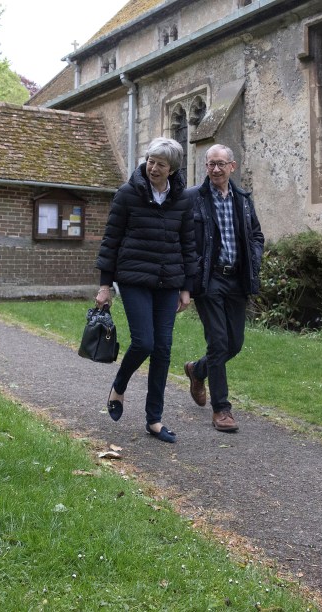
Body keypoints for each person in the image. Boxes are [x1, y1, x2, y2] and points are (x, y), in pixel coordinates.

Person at [94, 137, 197, 443]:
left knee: (163, 349)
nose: (153, 167)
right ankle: (120, 385)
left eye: (160, 164)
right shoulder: (128, 194)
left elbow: (188, 245)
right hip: (134, 278)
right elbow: (110, 240)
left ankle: (154, 419)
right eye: (150, 161)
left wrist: (186, 288)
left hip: (168, 282)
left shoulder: (182, 200)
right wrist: (105, 285)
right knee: (144, 343)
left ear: (172, 169)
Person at [183, 144, 264, 433]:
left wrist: (253, 260)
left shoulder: (242, 198)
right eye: (210, 164)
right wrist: (190, 277)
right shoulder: (193, 198)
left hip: (236, 279)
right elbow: (185, 240)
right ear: (206, 167)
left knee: (235, 344)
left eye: (221, 164)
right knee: (218, 343)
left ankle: (198, 370)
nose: (215, 169)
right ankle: (222, 409)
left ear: (233, 166)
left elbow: (256, 234)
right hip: (209, 279)